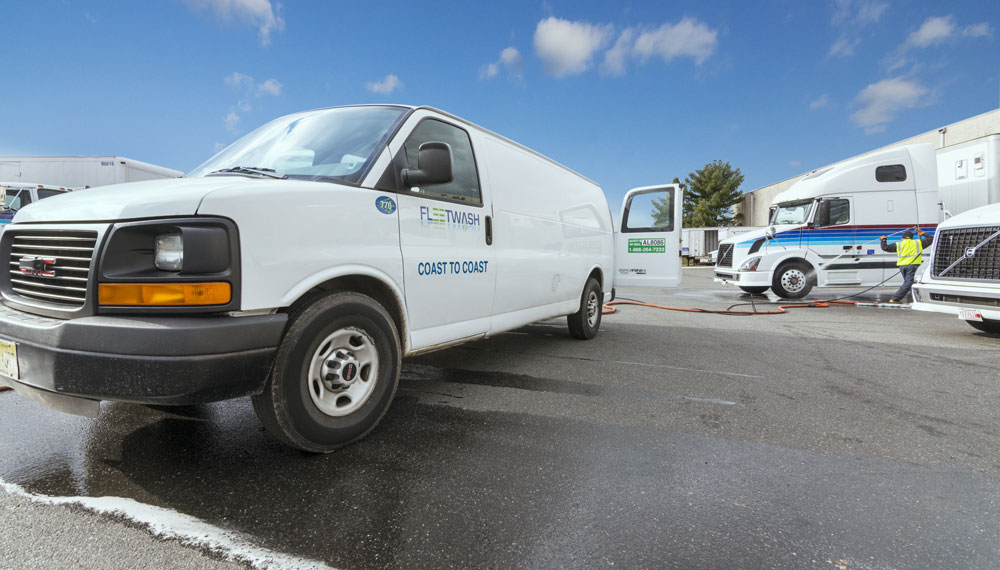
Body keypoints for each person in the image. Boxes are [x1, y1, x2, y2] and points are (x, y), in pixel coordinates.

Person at [880, 229, 933, 304]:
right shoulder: (918, 242)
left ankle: (916, 298)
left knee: (908, 283)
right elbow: (932, 239)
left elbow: (885, 248)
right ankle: (896, 298)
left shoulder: (898, 244)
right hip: (913, 265)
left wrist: (883, 240)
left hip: (902, 266)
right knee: (908, 282)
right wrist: (923, 233)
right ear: (911, 238)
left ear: (903, 238)